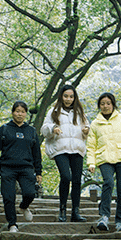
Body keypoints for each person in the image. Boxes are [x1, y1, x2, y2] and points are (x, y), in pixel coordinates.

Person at [0, 101, 42, 233]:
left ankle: (24, 207)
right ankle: (12, 224)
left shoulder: (31, 131)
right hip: (8, 168)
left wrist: (39, 172)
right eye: (17, 111)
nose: (20, 114)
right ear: (13, 112)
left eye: (22, 112)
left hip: (26, 168)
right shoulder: (5, 129)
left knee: (30, 193)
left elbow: (37, 153)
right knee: (8, 197)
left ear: (25, 114)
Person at [86, 92, 121, 232]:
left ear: (113, 105)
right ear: (99, 106)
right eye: (102, 104)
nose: (105, 106)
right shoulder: (95, 124)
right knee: (108, 183)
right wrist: (91, 163)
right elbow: (91, 145)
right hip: (105, 159)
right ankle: (103, 216)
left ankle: (120, 222)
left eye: (108, 103)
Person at [41, 84, 89, 222]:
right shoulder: (53, 112)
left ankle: (75, 212)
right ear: (61, 96)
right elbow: (44, 129)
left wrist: (86, 131)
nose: (68, 99)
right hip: (60, 149)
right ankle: (62, 209)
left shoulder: (80, 112)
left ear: (75, 98)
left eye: (71, 96)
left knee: (76, 180)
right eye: (66, 96)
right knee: (66, 176)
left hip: (76, 149)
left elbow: (87, 127)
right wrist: (53, 128)